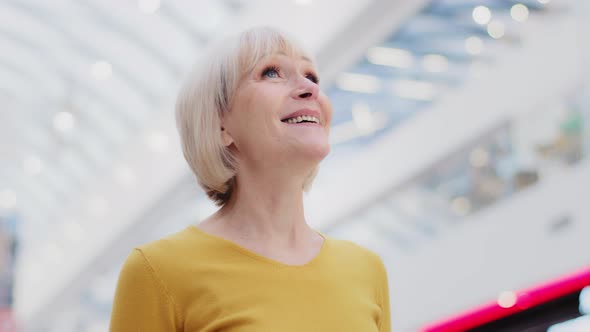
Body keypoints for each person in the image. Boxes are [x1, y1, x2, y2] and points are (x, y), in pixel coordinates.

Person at [109, 26, 391, 332]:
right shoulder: (158, 272)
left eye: (311, 76)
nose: (309, 89)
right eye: (271, 72)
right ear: (220, 124)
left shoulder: (366, 269)